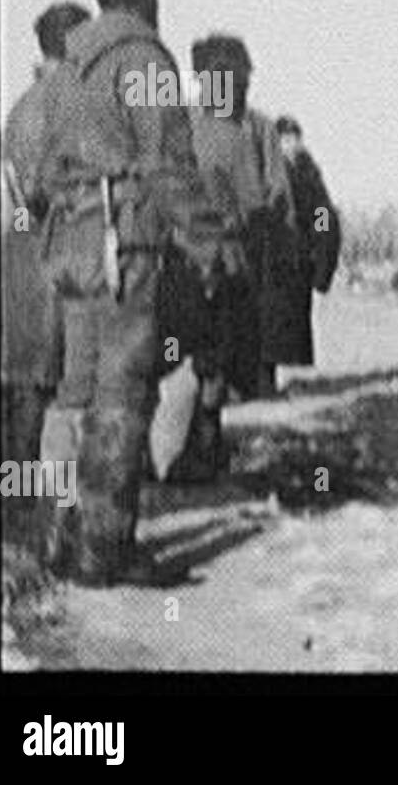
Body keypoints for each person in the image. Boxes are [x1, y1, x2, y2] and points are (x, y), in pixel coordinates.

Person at [35, 0, 205, 586]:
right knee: (122, 395)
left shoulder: (66, 67)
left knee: (73, 389)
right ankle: (105, 551)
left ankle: (57, 536)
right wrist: (209, 242)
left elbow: (44, 171)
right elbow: (169, 165)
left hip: (72, 246)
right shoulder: (143, 58)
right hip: (122, 247)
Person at [155, 33, 291, 480]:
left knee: (204, 357)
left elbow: (275, 201)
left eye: (239, 79)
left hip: (208, 261)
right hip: (207, 262)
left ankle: (195, 448)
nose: (236, 87)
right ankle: (192, 449)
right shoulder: (247, 128)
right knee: (204, 357)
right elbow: (275, 202)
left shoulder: (202, 124)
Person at [1, 2, 91, 538]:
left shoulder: (22, 106)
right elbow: (43, 190)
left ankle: (18, 509)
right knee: (46, 390)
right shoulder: (59, 105)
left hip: (19, 257)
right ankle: (38, 520)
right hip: (46, 259)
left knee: (23, 390)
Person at [265, 115, 341, 392]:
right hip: (269, 258)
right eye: (284, 140)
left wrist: (321, 255)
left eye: (294, 139)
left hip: (297, 260)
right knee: (266, 325)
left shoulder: (309, 175)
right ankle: (265, 381)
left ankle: (286, 381)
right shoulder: (265, 169)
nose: (290, 145)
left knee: (291, 327)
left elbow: (322, 216)